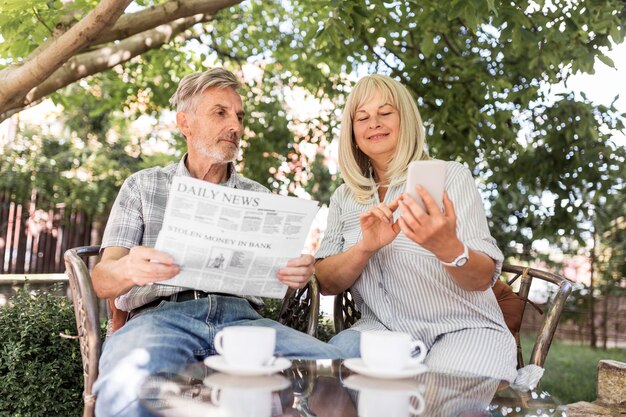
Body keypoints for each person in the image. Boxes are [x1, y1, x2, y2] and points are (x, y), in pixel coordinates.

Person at [91, 67, 343, 417]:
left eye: (239, 116)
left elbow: (277, 278)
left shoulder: (259, 195)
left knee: (341, 376)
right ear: (185, 123)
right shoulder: (143, 186)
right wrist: (129, 267)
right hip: (161, 318)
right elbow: (102, 280)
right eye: (220, 113)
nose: (235, 127)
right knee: (129, 386)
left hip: (244, 323)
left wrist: (297, 273)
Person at [314, 74, 517, 383]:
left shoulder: (451, 177)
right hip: (380, 332)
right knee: (326, 378)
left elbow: (482, 277)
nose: (374, 123)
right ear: (353, 133)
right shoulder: (345, 197)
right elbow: (326, 282)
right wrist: (364, 247)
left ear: (405, 120)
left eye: (385, 113)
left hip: (463, 329)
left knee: (438, 399)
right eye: (363, 117)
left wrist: (446, 245)